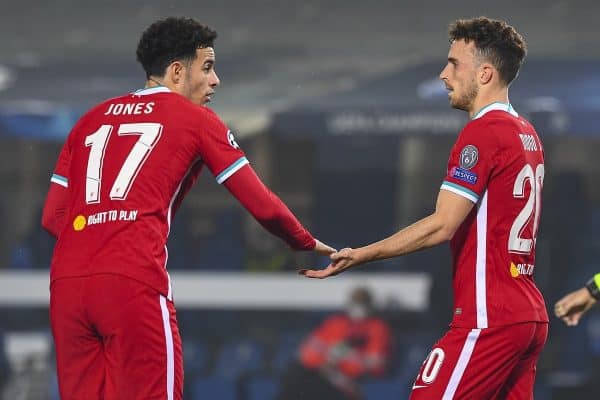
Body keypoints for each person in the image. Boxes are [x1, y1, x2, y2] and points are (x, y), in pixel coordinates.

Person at [41, 17, 334, 400]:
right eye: (208, 67)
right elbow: (263, 206)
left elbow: (52, 217)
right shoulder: (196, 121)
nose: (216, 81)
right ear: (177, 71)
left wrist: (95, 240)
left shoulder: (88, 122)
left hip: (66, 285)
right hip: (131, 279)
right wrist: (307, 241)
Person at [301, 16, 548, 399]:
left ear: (484, 74)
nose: (443, 74)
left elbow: (442, 226)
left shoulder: (483, 133)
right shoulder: (527, 133)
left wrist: (363, 254)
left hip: (489, 317)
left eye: (453, 64)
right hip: (528, 314)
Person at [276, 287, 392, 400]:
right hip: (322, 374)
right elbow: (308, 351)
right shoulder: (336, 323)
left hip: (351, 380)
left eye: (362, 304)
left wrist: (347, 357)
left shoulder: (377, 327)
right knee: (297, 375)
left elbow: (376, 364)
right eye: (356, 303)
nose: (358, 308)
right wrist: (329, 357)